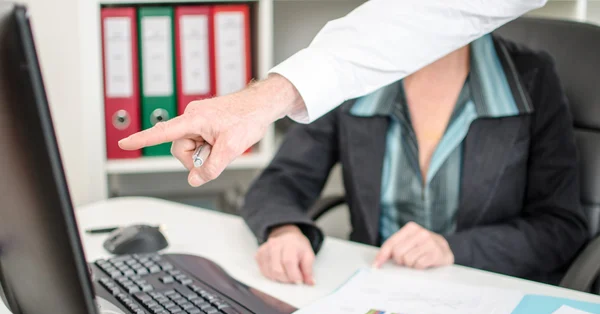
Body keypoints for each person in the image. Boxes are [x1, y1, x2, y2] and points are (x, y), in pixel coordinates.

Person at [240, 32, 588, 287]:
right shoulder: (351, 75)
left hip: (490, 294)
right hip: (375, 291)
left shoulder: (530, 78)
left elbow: (560, 227)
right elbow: (280, 182)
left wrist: (452, 249)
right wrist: (285, 230)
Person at [118, 0, 547, 186]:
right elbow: (425, 17)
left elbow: (559, 226)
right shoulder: (366, 85)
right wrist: (257, 102)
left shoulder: (529, 80)